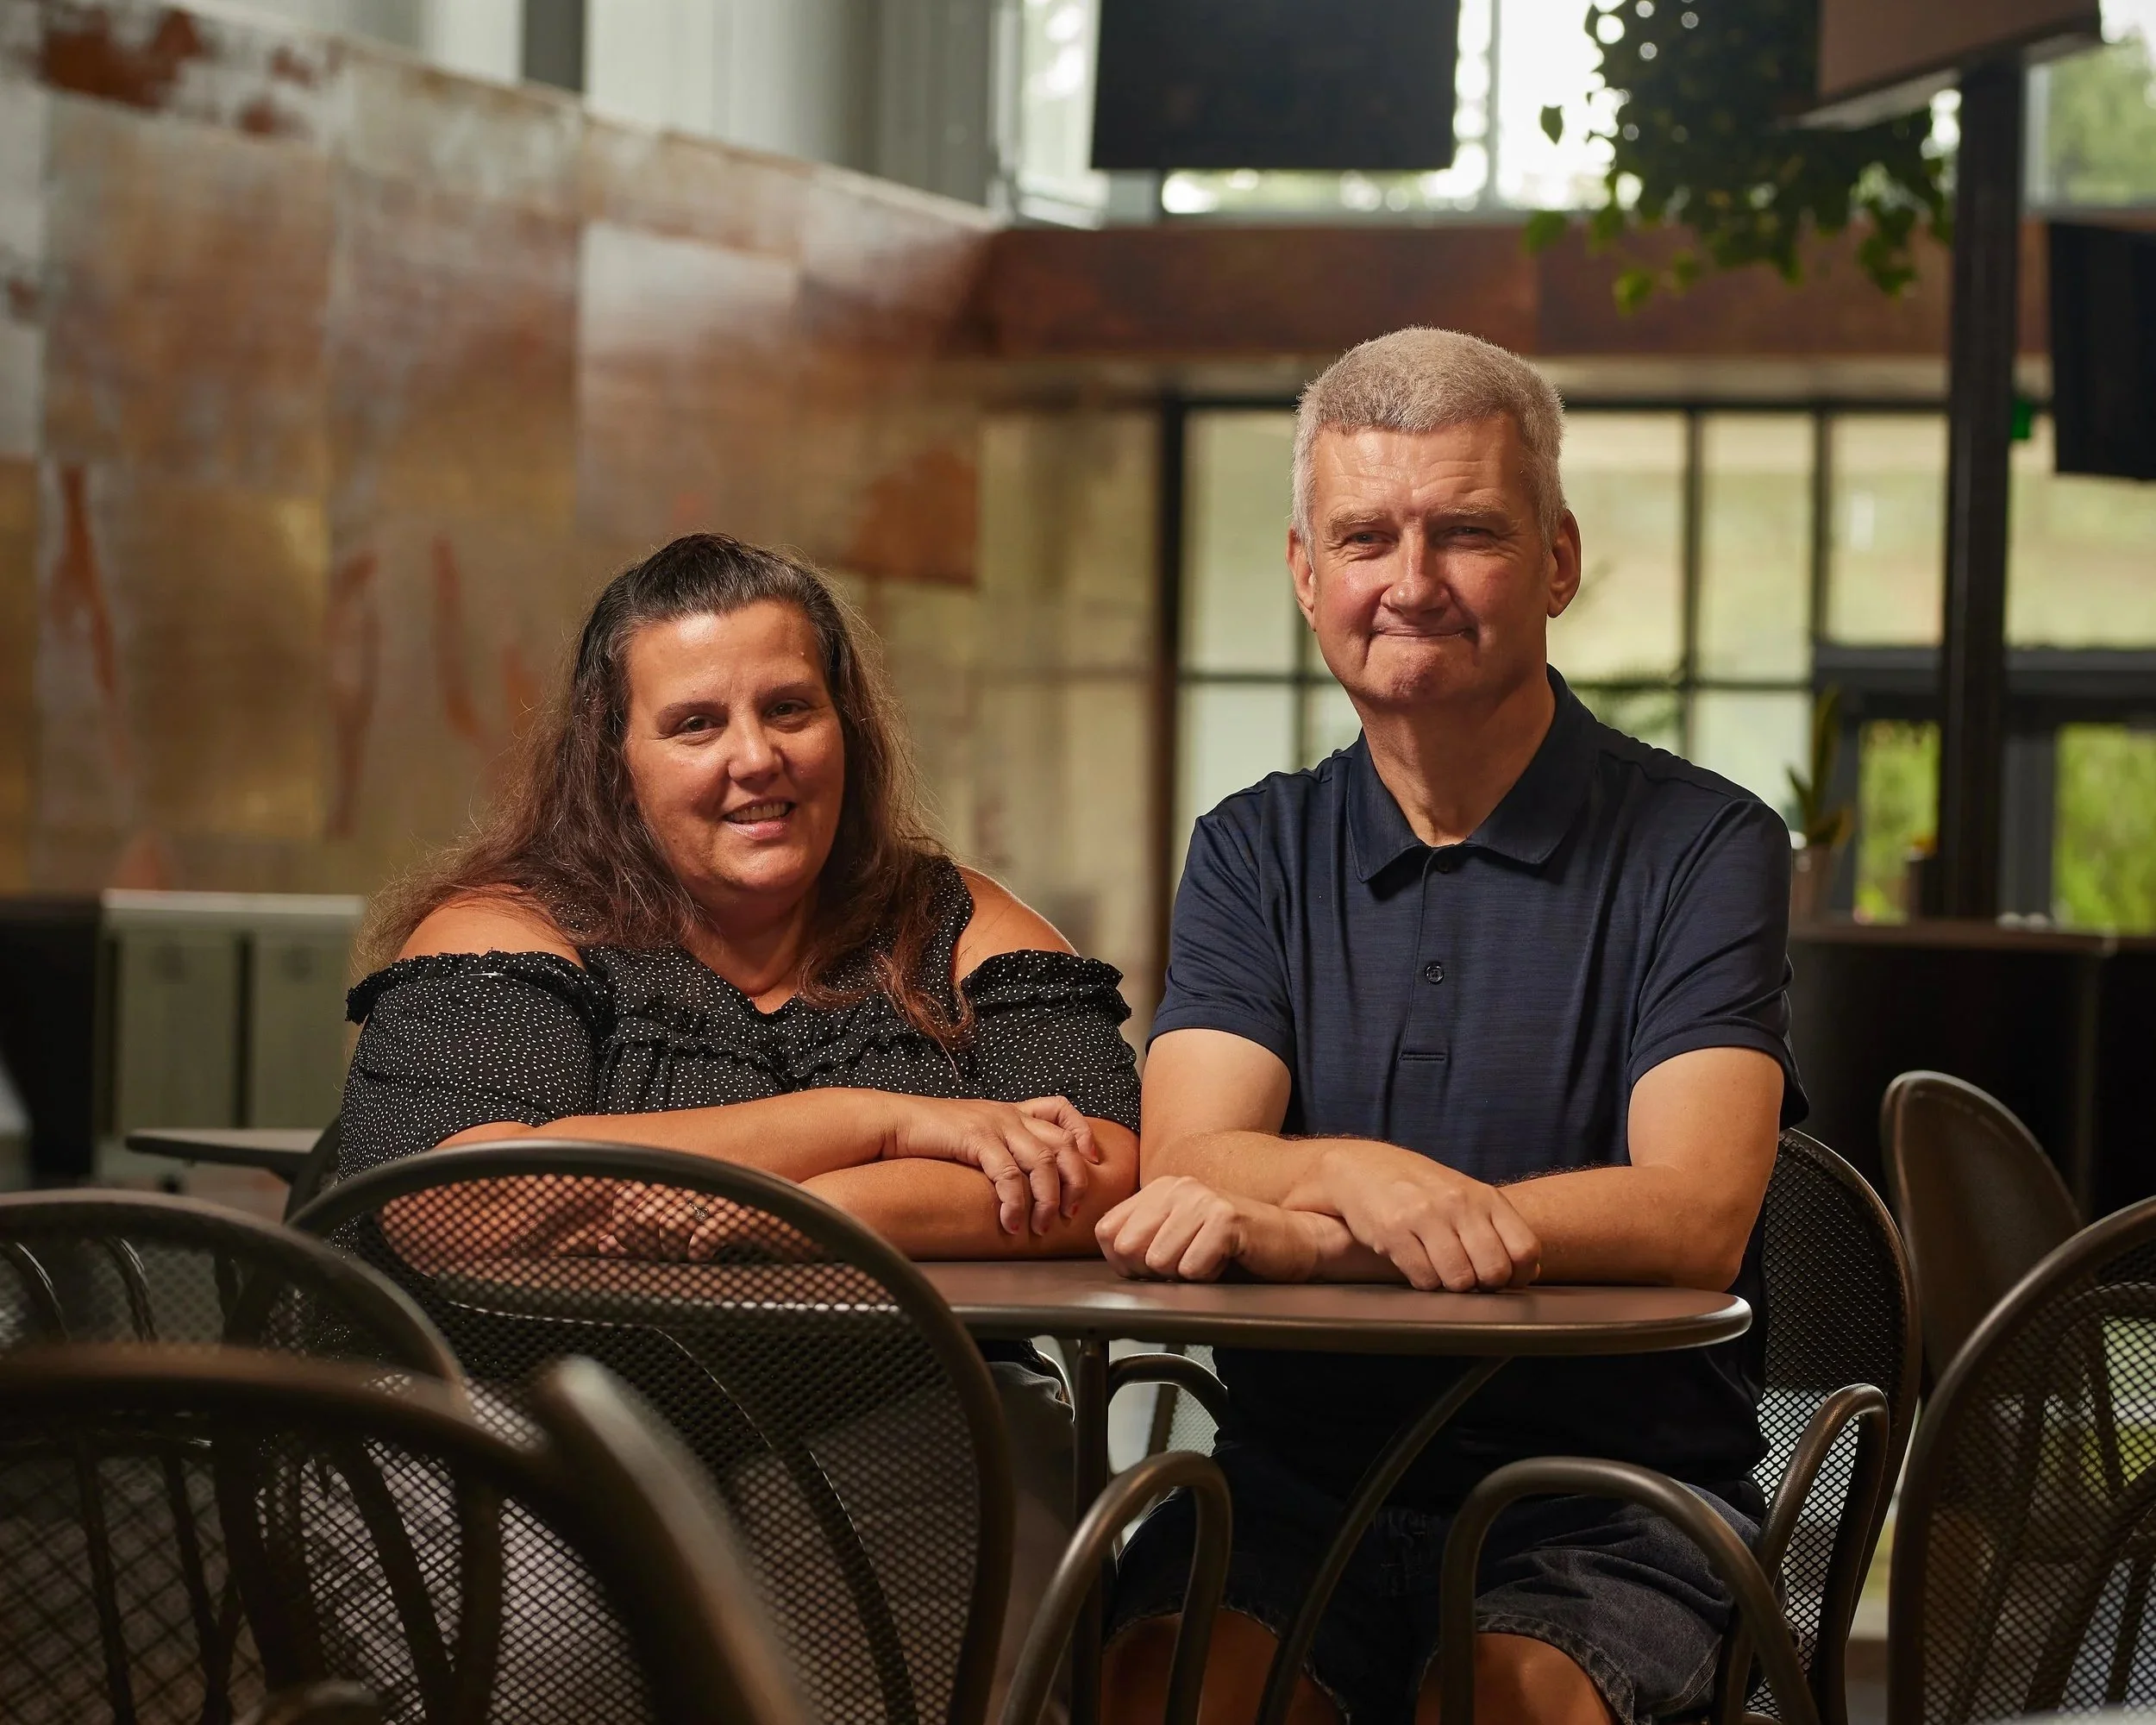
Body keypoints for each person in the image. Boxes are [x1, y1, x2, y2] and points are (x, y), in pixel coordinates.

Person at [1097, 329, 1803, 1725]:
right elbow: (1184, 1156)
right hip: (1293, 1488)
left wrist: (1306, 1228)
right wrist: (1359, 1173)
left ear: (1556, 560)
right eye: (1364, 538)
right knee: (1163, 1690)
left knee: (1507, 1707)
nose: (1408, 584)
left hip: (1604, 1501)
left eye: (1465, 532)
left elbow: (1694, 1212)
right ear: (1308, 575)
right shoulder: (1252, 850)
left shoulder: (1706, 844)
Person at [338, 530, 1139, 1716]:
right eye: (696, 724)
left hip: (880, 1398)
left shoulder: (957, 923)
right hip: (515, 1411)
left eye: (789, 709)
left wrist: (787, 1220)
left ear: (847, 734)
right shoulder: (510, 926)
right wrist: (878, 1120)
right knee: (560, 1681)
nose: (755, 759)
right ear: (615, 761)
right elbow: (460, 1201)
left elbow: (1106, 1172)